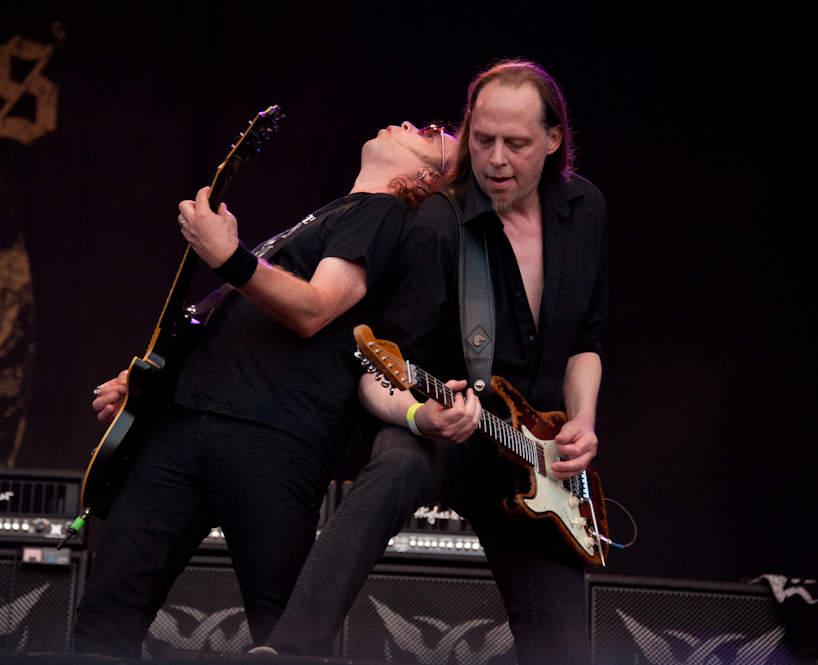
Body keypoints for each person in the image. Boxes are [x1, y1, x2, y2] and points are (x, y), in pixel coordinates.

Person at [266, 59, 607, 664]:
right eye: (482, 139)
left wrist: (581, 420)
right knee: (397, 467)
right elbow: (376, 368)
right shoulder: (440, 227)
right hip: (448, 428)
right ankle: (289, 651)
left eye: (516, 144)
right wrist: (422, 416)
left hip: (537, 456)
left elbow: (586, 340)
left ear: (554, 139)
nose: (495, 159)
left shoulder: (584, 210)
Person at [73, 120, 457, 658]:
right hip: (183, 420)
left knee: (285, 638)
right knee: (106, 613)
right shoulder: (333, 214)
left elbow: (315, 309)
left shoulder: (382, 212)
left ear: (426, 177)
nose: (412, 123)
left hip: (273, 435)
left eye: (431, 133)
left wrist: (230, 257)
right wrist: (148, 385)